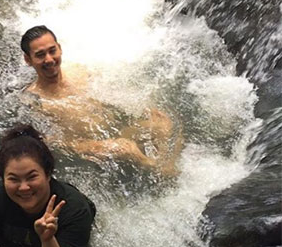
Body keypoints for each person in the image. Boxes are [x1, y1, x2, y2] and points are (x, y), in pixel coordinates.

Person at [20, 25, 182, 175]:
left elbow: (112, 92)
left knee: (162, 121)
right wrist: (95, 147)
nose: (49, 59)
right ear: (28, 59)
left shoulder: (78, 71)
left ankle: (168, 169)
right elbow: (52, 143)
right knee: (127, 149)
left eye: (52, 51)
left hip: (116, 130)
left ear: (60, 48)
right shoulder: (34, 100)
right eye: (40, 55)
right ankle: (154, 168)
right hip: (90, 146)